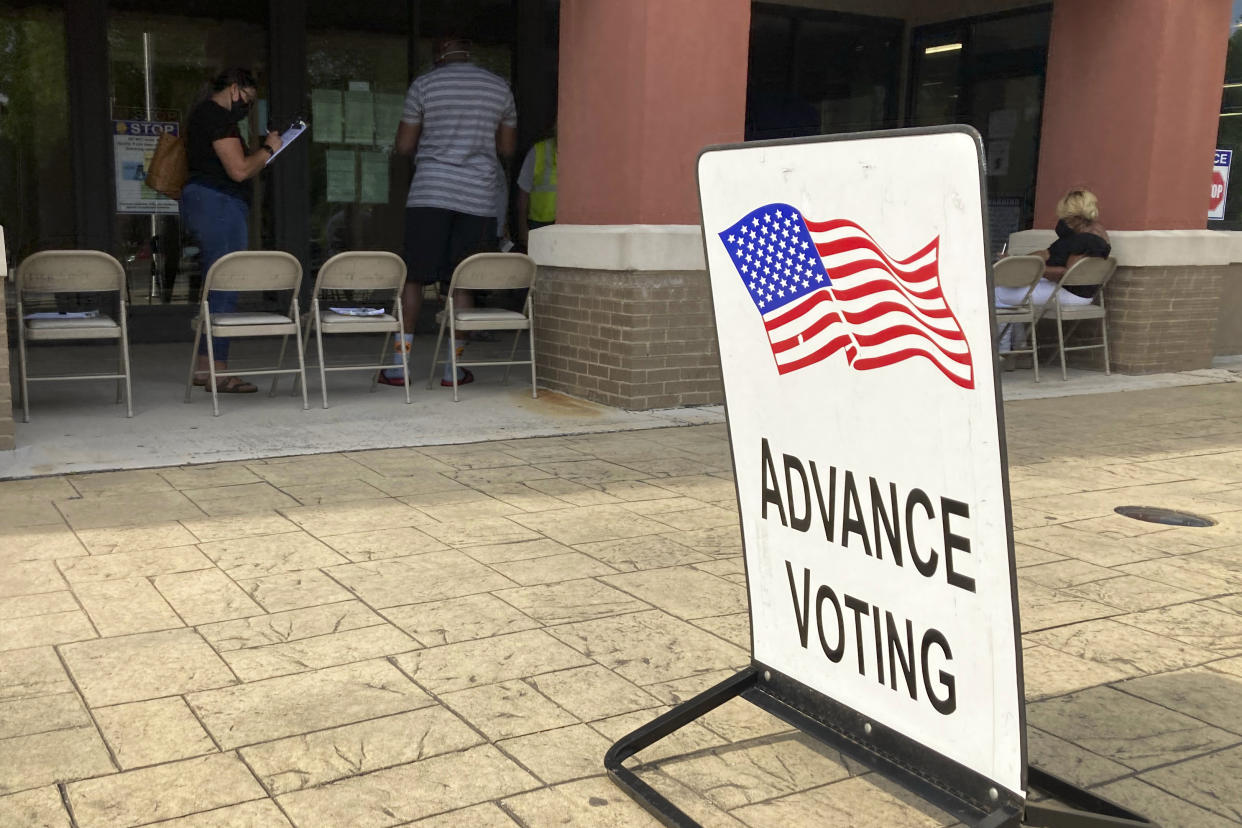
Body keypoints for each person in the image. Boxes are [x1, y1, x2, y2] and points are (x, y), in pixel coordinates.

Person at [382, 36, 517, 388]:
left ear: (439, 55)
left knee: (412, 277)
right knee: (462, 280)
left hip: (431, 191)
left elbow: (404, 145)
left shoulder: (424, 84)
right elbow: (506, 147)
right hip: (477, 197)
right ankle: (451, 370)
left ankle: (399, 366)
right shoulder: (499, 88)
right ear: (468, 53)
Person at [181, 67, 282, 393]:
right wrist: (268, 149)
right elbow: (239, 170)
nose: (247, 106)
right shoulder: (216, 117)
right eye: (248, 99)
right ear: (235, 88)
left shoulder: (202, 114)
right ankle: (218, 371)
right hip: (219, 204)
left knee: (217, 282)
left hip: (208, 201)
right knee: (225, 284)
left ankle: (203, 367)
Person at [995, 189, 1108, 353]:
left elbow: (1068, 273)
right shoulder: (1091, 232)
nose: (1062, 221)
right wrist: (1017, 259)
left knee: (999, 294)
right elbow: (1047, 253)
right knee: (1012, 292)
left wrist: (1035, 270)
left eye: (1066, 217)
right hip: (1076, 291)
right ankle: (1019, 351)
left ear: (1075, 217)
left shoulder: (1085, 240)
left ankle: (1004, 352)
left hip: (1071, 293)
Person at [515, 124, 556, 250]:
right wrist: (523, 231)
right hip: (538, 225)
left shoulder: (580, 153)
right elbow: (522, 195)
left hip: (568, 225)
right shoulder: (538, 151)